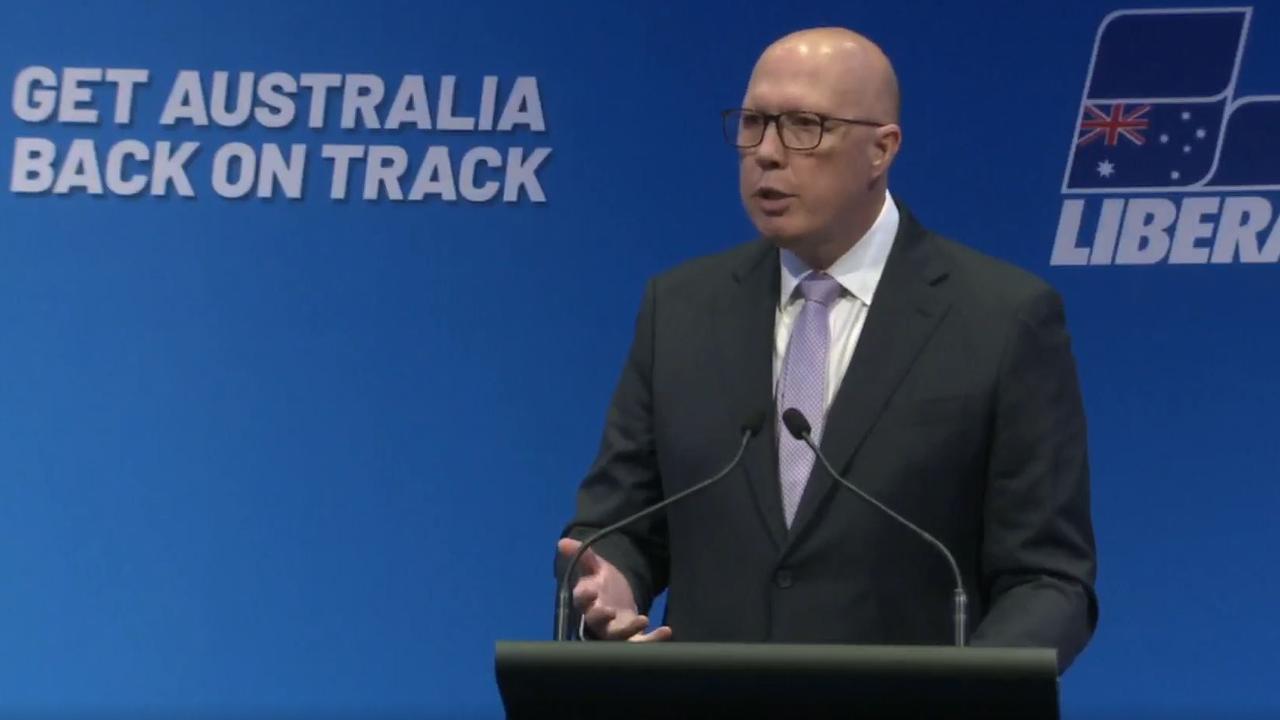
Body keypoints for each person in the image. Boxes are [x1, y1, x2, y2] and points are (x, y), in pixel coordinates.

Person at [556, 26, 1097, 670]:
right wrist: (608, 581)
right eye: (753, 123)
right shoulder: (679, 310)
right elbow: (618, 526)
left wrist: (969, 690)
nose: (768, 153)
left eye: (805, 126)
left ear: (881, 149)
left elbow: (1050, 579)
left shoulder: (1002, 319)